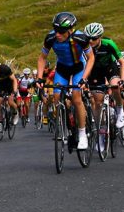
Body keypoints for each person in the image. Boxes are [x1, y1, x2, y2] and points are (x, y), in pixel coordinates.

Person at [36, 12, 95, 150]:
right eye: (56, 30)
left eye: (61, 32)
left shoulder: (80, 38)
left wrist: (84, 78)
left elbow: (91, 58)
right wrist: (39, 77)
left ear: (70, 30)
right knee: (56, 97)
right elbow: (42, 58)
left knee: (76, 97)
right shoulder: (50, 37)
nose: (58, 34)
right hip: (62, 68)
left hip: (78, 68)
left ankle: (82, 134)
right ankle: (68, 125)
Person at [82, 22, 124, 141]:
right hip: (96, 71)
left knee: (115, 86)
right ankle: (99, 132)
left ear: (100, 37)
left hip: (110, 68)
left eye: (94, 38)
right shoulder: (84, 46)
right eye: (88, 38)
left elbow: (122, 62)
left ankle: (120, 111)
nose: (91, 41)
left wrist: (122, 79)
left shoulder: (109, 44)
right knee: (97, 103)